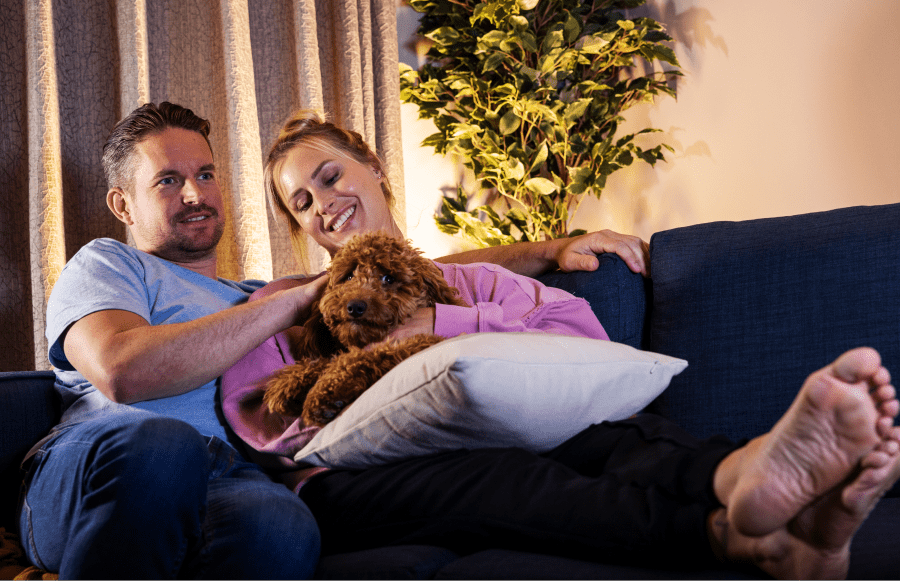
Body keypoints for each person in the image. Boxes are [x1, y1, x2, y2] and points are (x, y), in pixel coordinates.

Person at [223, 109, 901, 580]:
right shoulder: (286, 305)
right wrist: (371, 380)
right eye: (301, 202)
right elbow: (263, 422)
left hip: (494, 431)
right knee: (507, 479)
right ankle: (739, 539)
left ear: (371, 166)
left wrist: (441, 328)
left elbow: (581, 345)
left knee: (614, 437)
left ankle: (750, 473)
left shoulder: (476, 281)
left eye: (330, 176)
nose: (322, 203)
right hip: (351, 486)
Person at [18, 101, 660, 580]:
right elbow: (122, 370)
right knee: (164, 446)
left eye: (207, 174)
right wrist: (295, 301)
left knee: (282, 527)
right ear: (123, 205)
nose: (195, 193)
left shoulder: (259, 293)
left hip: (233, 480)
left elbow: (422, 269)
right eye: (167, 180)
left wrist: (553, 248)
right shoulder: (110, 264)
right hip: (103, 465)